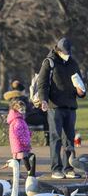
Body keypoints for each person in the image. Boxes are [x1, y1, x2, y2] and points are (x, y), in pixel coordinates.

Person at [38, 37, 86, 179]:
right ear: (58, 50)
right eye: (64, 52)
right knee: (56, 137)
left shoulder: (73, 63)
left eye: (68, 52)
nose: (67, 54)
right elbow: (43, 83)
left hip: (70, 106)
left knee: (70, 139)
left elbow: (80, 84)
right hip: (55, 106)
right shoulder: (49, 62)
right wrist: (44, 100)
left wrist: (81, 92)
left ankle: (68, 167)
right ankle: (56, 168)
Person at [4, 80, 50, 146]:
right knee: (46, 117)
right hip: (26, 118)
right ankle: (48, 138)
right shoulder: (20, 98)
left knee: (44, 113)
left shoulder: (13, 98)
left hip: (24, 117)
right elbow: (26, 109)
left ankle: (48, 138)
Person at [7, 99, 34, 175]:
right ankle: (30, 172)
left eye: (24, 110)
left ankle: (17, 173)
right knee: (25, 158)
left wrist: (29, 133)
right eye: (22, 110)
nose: (24, 111)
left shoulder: (19, 119)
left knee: (18, 160)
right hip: (20, 145)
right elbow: (19, 134)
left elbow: (23, 130)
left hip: (18, 145)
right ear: (16, 110)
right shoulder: (18, 121)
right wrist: (25, 143)